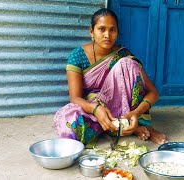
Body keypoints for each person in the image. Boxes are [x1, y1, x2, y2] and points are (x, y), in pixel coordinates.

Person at [53, 8, 167, 147]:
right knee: (71, 126)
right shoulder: (78, 56)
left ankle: (133, 124)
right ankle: (122, 128)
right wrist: (96, 109)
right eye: (102, 29)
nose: (107, 35)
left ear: (117, 32)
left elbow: (153, 93)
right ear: (91, 31)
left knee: (127, 63)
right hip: (93, 107)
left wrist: (136, 113)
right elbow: (75, 98)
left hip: (124, 109)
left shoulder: (123, 55)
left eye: (112, 30)